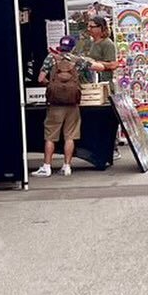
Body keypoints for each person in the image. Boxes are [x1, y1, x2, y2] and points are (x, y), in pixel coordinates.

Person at [35, 34, 84, 177]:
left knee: (50, 136)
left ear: (60, 46)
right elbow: (91, 71)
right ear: (73, 47)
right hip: (72, 104)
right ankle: (67, 166)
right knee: (70, 136)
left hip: (55, 105)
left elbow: (40, 78)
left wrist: (52, 85)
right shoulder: (77, 60)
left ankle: (47, 167)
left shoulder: (51, 58)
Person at [85, 16, 118, 83]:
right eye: (88, 26)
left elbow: (113, 65)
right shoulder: (90, 43)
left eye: (92, 27)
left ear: (101, 28)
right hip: (92, 82)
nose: (89, 29)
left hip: (104, 83)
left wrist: (95, 64)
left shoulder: (107, 43)